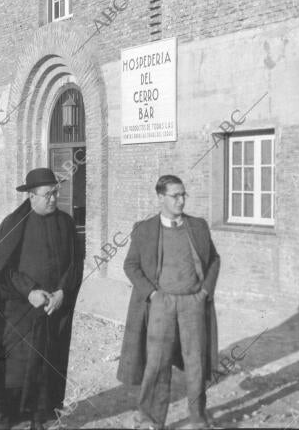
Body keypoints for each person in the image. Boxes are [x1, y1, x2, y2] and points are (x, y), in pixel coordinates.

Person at [0, 168, 83, 430]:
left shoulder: (66, 223)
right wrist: (29, 291)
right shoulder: (13, 224)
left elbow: (75, 264)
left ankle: (39, 420)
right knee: (16, 370)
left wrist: (63, 292)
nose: (53, 199)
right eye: (47, 195)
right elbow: (4, 270)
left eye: (56, 192)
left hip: (53, 310)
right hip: (20, 313)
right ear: (31, 196)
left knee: (47, 366)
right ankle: (7, 421)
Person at [117, 174, 221, 429]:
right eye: (176, 196)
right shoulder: (144, 229)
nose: (182, 200)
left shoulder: (198, 226)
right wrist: (152, 294)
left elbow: (215, 260)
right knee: (157, 363)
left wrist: (205, 291)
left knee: (195, 362)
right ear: (161, 197)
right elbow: (131, 265)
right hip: (161, 305)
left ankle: (198, 417)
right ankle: (150, 417)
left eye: (184, 195)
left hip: (192, 304)